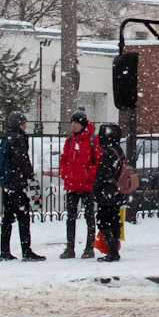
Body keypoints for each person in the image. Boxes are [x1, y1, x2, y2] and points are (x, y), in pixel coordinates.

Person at [0, 111, 44, 262]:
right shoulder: (18, 139)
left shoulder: (7, 138)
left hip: (8, 184)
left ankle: (4, 251)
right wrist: (29, 176)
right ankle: (26, 250)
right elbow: (22, 160)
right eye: (23, 123)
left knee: (8, 218)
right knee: (23, 218)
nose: (25, 126)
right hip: (17, 184)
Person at [58, 108, 100, 259]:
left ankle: (89, 247)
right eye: (72, 123)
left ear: (82, 124)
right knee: (71, 216)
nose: (73, 125)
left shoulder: (92, 140)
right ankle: (70, 247)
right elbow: (64, 159)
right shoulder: (70, 140)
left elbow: (97, 161)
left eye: (76, 122)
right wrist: (65, 174)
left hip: (87, 185)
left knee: (89, 216)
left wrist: (89, 175)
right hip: (72, 184)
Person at [93, 122, 127, 263]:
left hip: (107, 192)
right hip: (116, 192)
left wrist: (96, 188)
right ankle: (114, 250)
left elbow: (102, 174)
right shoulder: (118, 150)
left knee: (104, 221)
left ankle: (112, 251)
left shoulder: (108, 153)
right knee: (114, 220)